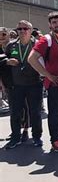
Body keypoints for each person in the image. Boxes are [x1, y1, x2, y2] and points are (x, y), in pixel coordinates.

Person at [28, 11, 58, 152]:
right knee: (55, 115)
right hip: (55, 85)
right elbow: (31, 59)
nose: (57, 24)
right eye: (54, 22)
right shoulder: (46, 40)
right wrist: (48, 75)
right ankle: (56, 142)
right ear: (50, 25)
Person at [3, 20, 43, 149]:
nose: (22, 31)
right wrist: (8, 61)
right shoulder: (11, 45)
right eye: (19, 29)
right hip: (16, 85)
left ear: (31, 31)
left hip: (34, 84)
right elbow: (3, 61)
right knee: (15, 112)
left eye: (25, 29)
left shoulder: (37, 45)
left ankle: (36, 137)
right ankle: (15, 137)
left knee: (35, 112)